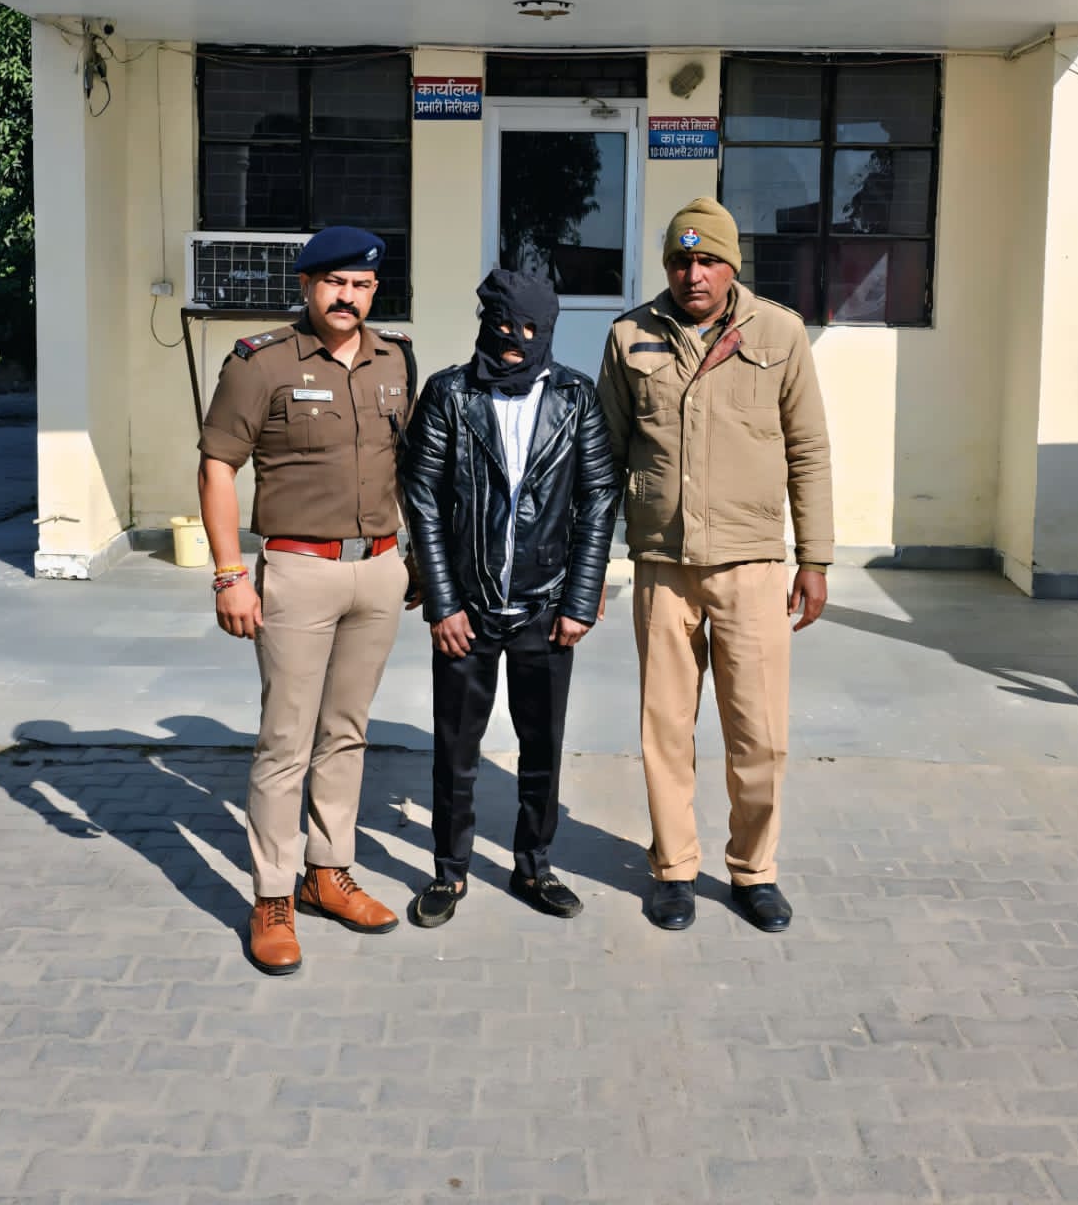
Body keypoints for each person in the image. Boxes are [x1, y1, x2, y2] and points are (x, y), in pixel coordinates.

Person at [597, 198, 833, 934]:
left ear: (732, 265)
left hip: (752, 566)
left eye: (707, 260)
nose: (692, 274)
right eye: (680, 260)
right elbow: (604, 456)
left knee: (758, 733)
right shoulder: (630, 335)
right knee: (665, 729)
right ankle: (673, 868)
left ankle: (754, 870)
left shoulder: (780, 333)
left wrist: (815, 556)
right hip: (662, 565)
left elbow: (808, 449)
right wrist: (589, 565)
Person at [198, 225, 416, 975]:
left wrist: (417, 561)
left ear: (375, 290)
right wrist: (230, 573)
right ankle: (272, 895)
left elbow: (409, 468)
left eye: (361, 284)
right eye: (334, 282)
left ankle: (328, 872)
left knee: (346, 732)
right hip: (297, 571)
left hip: (378, 569)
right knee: (285, 740)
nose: (347, 296)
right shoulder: (261, 362)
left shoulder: (397, 358)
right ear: (307, 285)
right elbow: (217, 467)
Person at [398, 269, 618, 927]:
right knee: (455, 752)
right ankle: (449, 872)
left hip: (546, 609)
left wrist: (580, 597)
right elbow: (422, 499)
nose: (515, 341)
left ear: (549, 329)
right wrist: (442, 602)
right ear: (484, 322)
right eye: (502, 326)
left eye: (530, 329)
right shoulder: (450, 394)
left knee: (541, 749)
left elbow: (598, 499)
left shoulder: (576, 398)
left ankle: (534, 865)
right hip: (466, 609)